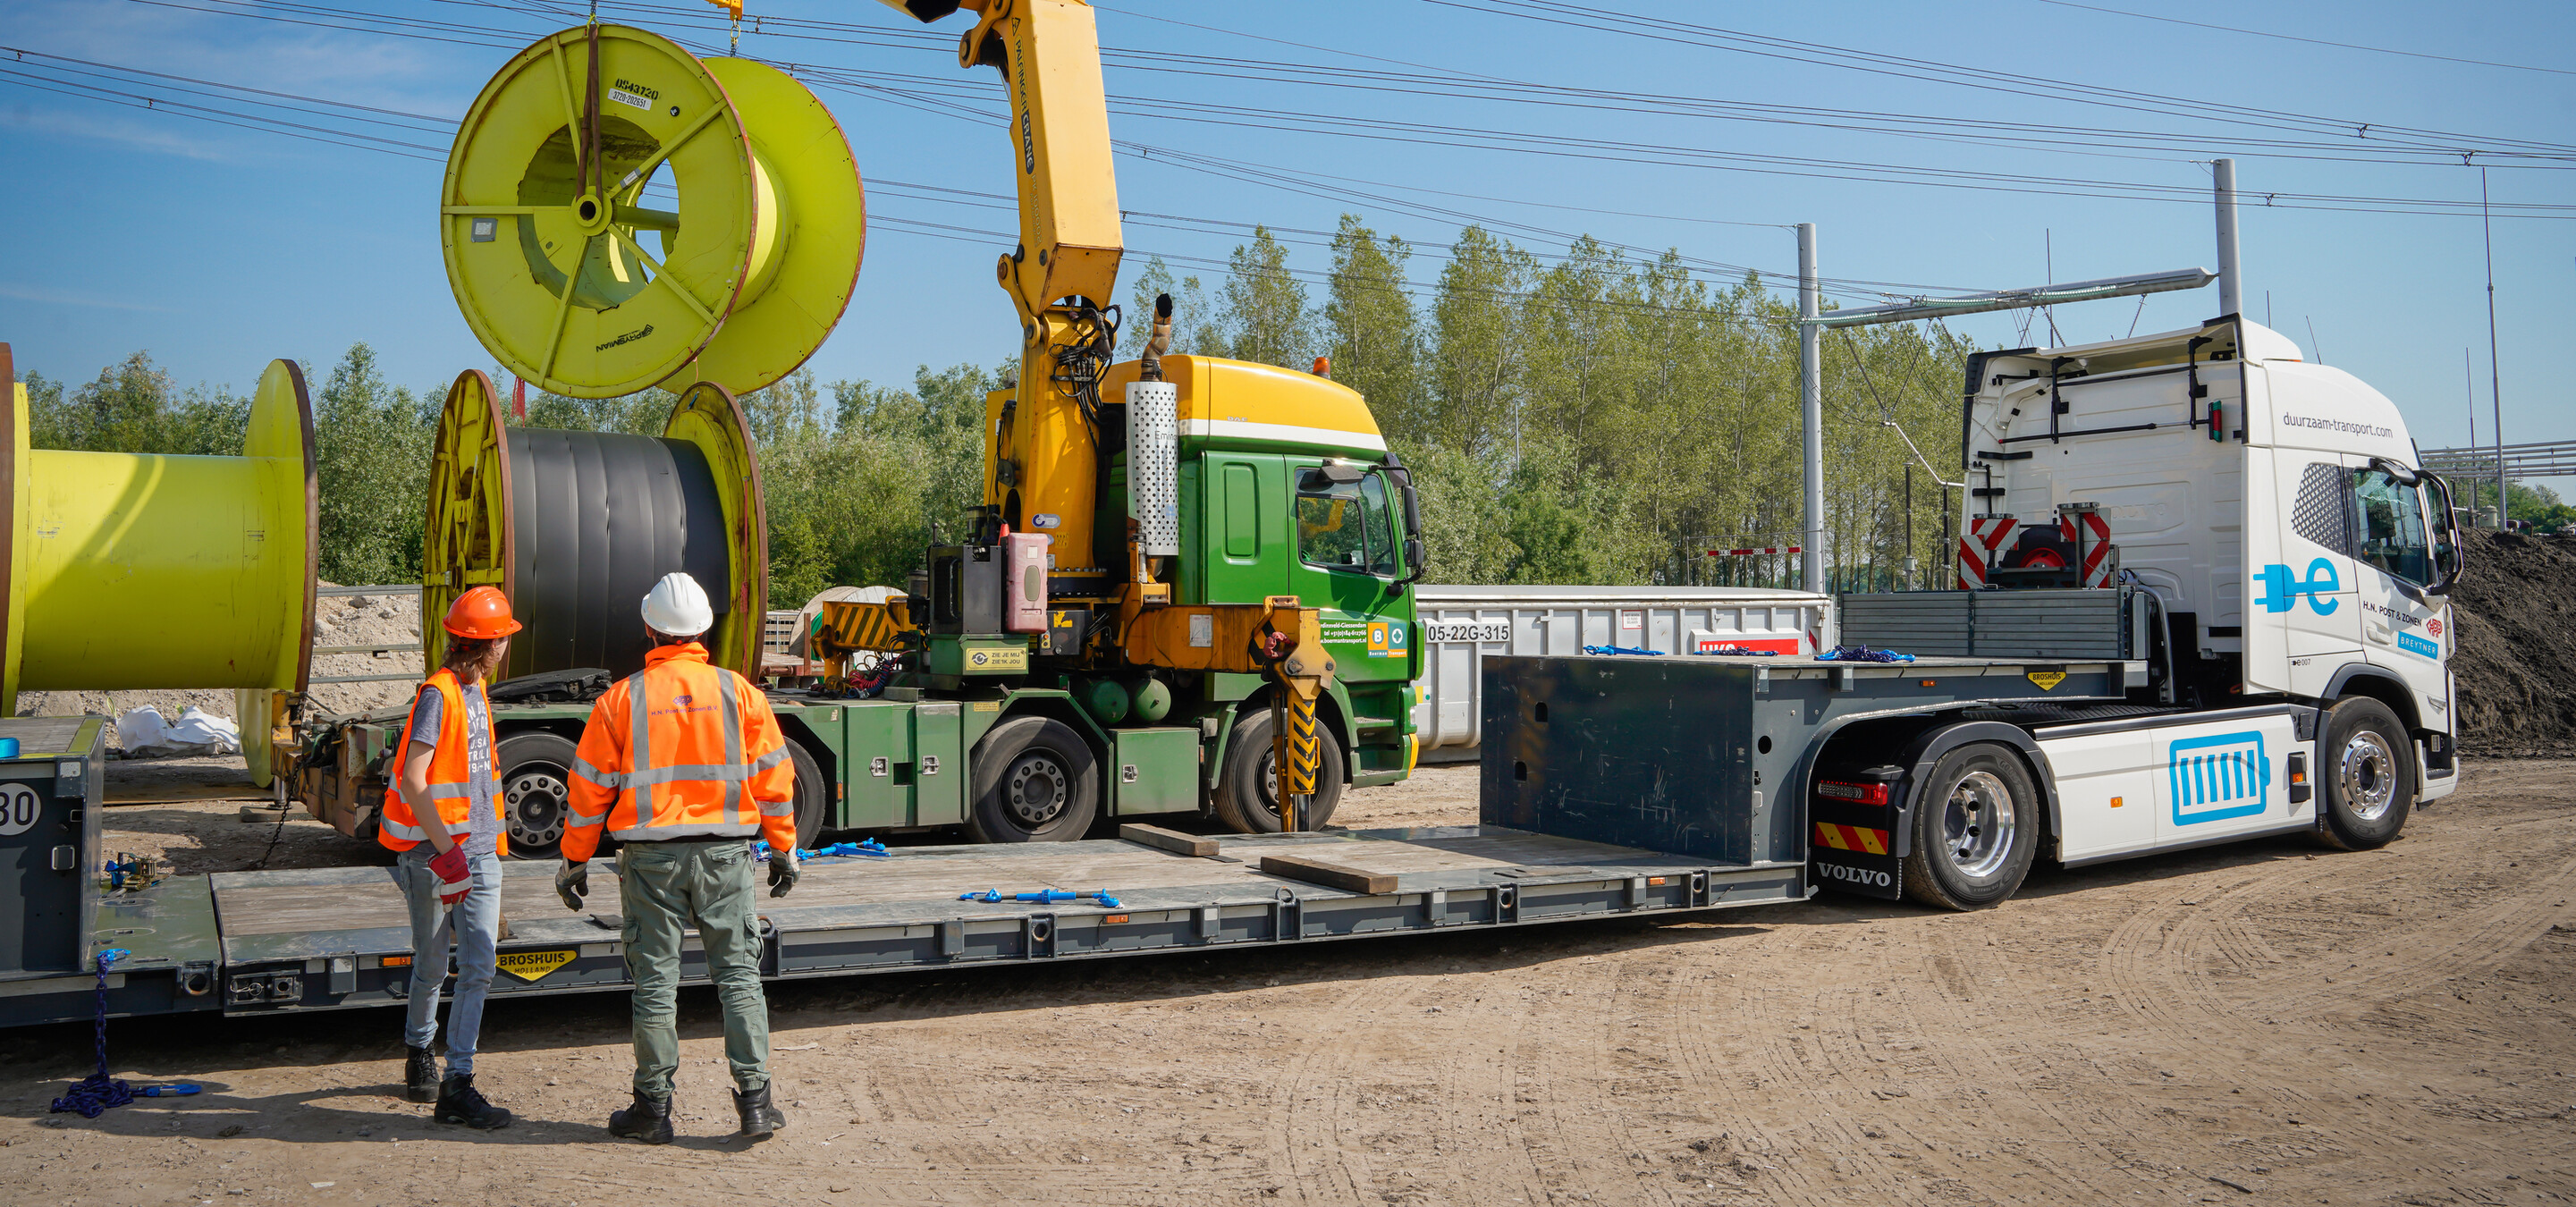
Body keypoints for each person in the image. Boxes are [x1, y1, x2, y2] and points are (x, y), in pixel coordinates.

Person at [554, 571, 801, 1144]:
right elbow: (775, 781)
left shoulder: (620, 700)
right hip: (725, 858)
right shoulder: (740, 693)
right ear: (705, 629)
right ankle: (756, 1105)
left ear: (649, 628)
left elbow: (589, 791)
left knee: (655, 986)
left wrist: (574, 860)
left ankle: (653, 1110)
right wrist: (784, 848)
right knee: (739, 979)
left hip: (650, 863)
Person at [382, 585, 519, 1130]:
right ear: (485, 645)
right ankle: (419, 1051)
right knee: (434, 962)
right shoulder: (439, 694)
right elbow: (415, 781)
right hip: (436, 855)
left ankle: (457, 1082)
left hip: (477, 851)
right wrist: (449, 854)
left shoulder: (475, 688)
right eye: (503, 639)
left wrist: (474, 851)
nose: (506, 647)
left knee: (480, 967)